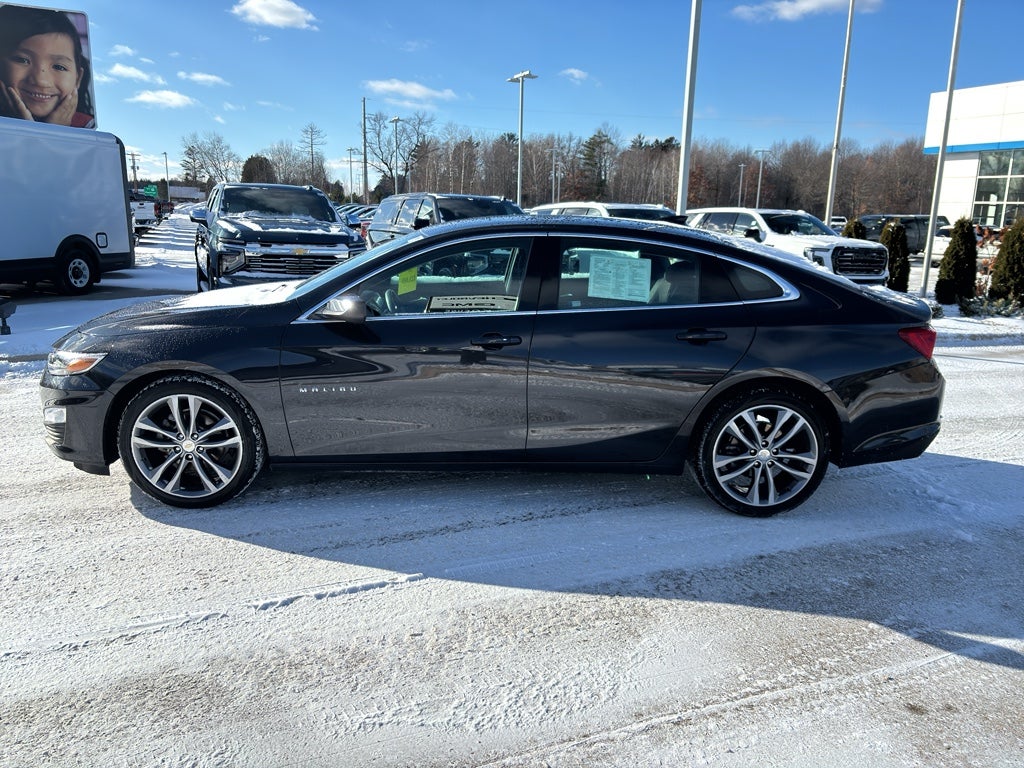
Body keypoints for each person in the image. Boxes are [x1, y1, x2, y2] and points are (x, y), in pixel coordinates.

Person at [0, 5, 94, 128]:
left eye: (59, 67)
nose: (41, 81)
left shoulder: (89, 128)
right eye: (22, 60)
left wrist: (55, 132)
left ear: (77, 79)